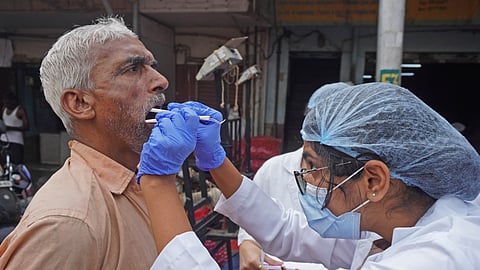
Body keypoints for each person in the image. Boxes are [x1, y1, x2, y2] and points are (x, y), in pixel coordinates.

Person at [138, 82, 480, 269]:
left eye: (314, 169)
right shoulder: (401, 224)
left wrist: (156, 181)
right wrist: (216, 161)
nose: (305, 182)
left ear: (374, 180)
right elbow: (287, 230)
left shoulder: (433, 259)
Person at [0, 16, 169, 269]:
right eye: (133, 69)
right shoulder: (68, 223)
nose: (161, 81)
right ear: (79, 103)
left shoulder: (143, 180)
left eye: (152, 66)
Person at [238, 82, 353, 270]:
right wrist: (248, 243)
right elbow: (252, 220)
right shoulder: (273, 169)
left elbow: (354, 249)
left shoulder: (358, 180)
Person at [0, 91, 29, 165]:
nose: (6, 104)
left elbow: (26, 127)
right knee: (3, 162)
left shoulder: (20, 111)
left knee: (17, 163)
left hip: (16, 141)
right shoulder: (4, 109)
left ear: (13, 101)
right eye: (5, 102)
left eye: (8, 102)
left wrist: (10, 128)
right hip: (4, 140)